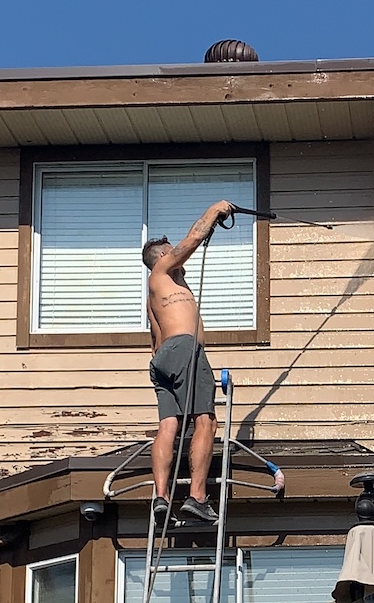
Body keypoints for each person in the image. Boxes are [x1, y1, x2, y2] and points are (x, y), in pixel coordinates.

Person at [141, 200, 236, 524]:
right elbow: (193, 238)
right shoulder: (162, 270)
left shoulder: (158, 290)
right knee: (205, 420)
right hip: (184, 351)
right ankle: (196, 496)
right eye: (171, 250)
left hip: (163, 358)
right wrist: (214, 211)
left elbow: (155, 340)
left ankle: (161, 497)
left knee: (169, 425)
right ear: (162, 257)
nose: (177, 253)